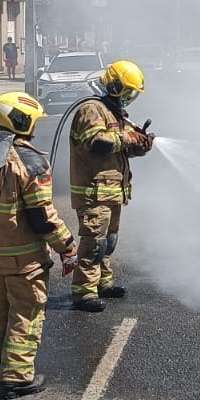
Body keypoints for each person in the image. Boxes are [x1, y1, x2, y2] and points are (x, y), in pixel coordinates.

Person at [0, 92, 77, 397]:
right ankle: (17, 375)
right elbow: (43, 217)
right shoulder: (30, 161)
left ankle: (2, 358)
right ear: (21, 122)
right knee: (26, 312)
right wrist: (67, 245)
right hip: (24, 260)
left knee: (1, 308)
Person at [69, 59, 153, 311]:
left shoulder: (114, 113)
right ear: (114, 85)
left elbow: (119, 150)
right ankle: (83, 291)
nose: (129, 98)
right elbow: (97, 143)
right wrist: (128, 138)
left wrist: (140, 146)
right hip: (93, 192)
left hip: (112, 192)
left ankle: (103, 283)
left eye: (132, 94)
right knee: (93, 243)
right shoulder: (92, 110)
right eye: (127, 92)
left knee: (109, 241)